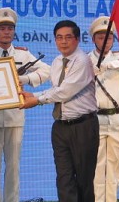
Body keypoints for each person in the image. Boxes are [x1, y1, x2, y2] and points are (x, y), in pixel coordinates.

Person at [0, 7, 50, 202]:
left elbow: (47, 71)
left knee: (13, 166)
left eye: (10, 28)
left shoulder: (23, 54)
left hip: (15, 116)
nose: (7, 32)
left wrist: (24, 79)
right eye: (2, 28)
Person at [20, 20, 99, 202]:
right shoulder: (56, 62)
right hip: (60, 127)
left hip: (83, 127)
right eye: (59, 37)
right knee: (63, 178)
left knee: (84, 181)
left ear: (77, 39)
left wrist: (36, 99)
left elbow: (65, 91)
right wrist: (33, 94)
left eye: (68, 37)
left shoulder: (83, 61)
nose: (63, 42)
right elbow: (57, 90)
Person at [88, 16, 119, 202]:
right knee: (97, 165)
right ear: (93, 39)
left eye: (109, 37)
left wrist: (106, 65)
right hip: (95, 118)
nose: (105, 41)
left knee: (116, 164)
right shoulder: (85, 60)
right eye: (100, 37)